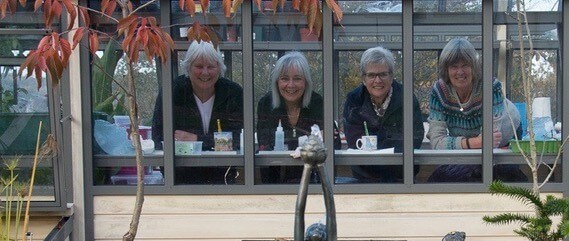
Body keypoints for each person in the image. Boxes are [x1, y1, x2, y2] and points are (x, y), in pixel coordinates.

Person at [426, 38, 526, 182]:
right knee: (439, 178)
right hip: (473, 143)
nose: (460, 72)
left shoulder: (491, 86)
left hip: (507, 136)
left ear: (474, 66)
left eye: (465, 65)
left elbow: (492, 141)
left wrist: (470, 143)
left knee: (502, 175)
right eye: (454, 66)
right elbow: (436, 143)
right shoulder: (439, 91)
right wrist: (473, 143)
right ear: (446, 70)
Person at [152, 40, 243, 185]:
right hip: (181, 180)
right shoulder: (172, 91)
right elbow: (159, 138)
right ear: (188, 67)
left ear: (219, 68)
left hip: (224, 178)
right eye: (199, 66)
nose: (205, 72)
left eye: (211, 66)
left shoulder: (233, 93)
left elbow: (239, 139)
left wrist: (197, 139)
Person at [343, 46, 424, 183]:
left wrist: (374, 143)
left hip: (402, 177)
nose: (378, 80)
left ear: (391, 76)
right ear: (363, 78)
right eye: (371, 75)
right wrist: (389, 141)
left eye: (383, 74)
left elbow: (414, 138)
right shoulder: (354, 99)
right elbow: (354, 141)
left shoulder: (407, 97)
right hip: (364, 177)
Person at [256, 51, 340, 184]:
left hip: (314, 181)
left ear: (306, 82)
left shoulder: (318, 103)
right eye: (284, 78)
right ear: (277, 82)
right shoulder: (266, 103)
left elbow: (334, 142)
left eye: (297, 78)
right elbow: (265, 144)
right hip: (274, 182)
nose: (291, 85)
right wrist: (308, 141)